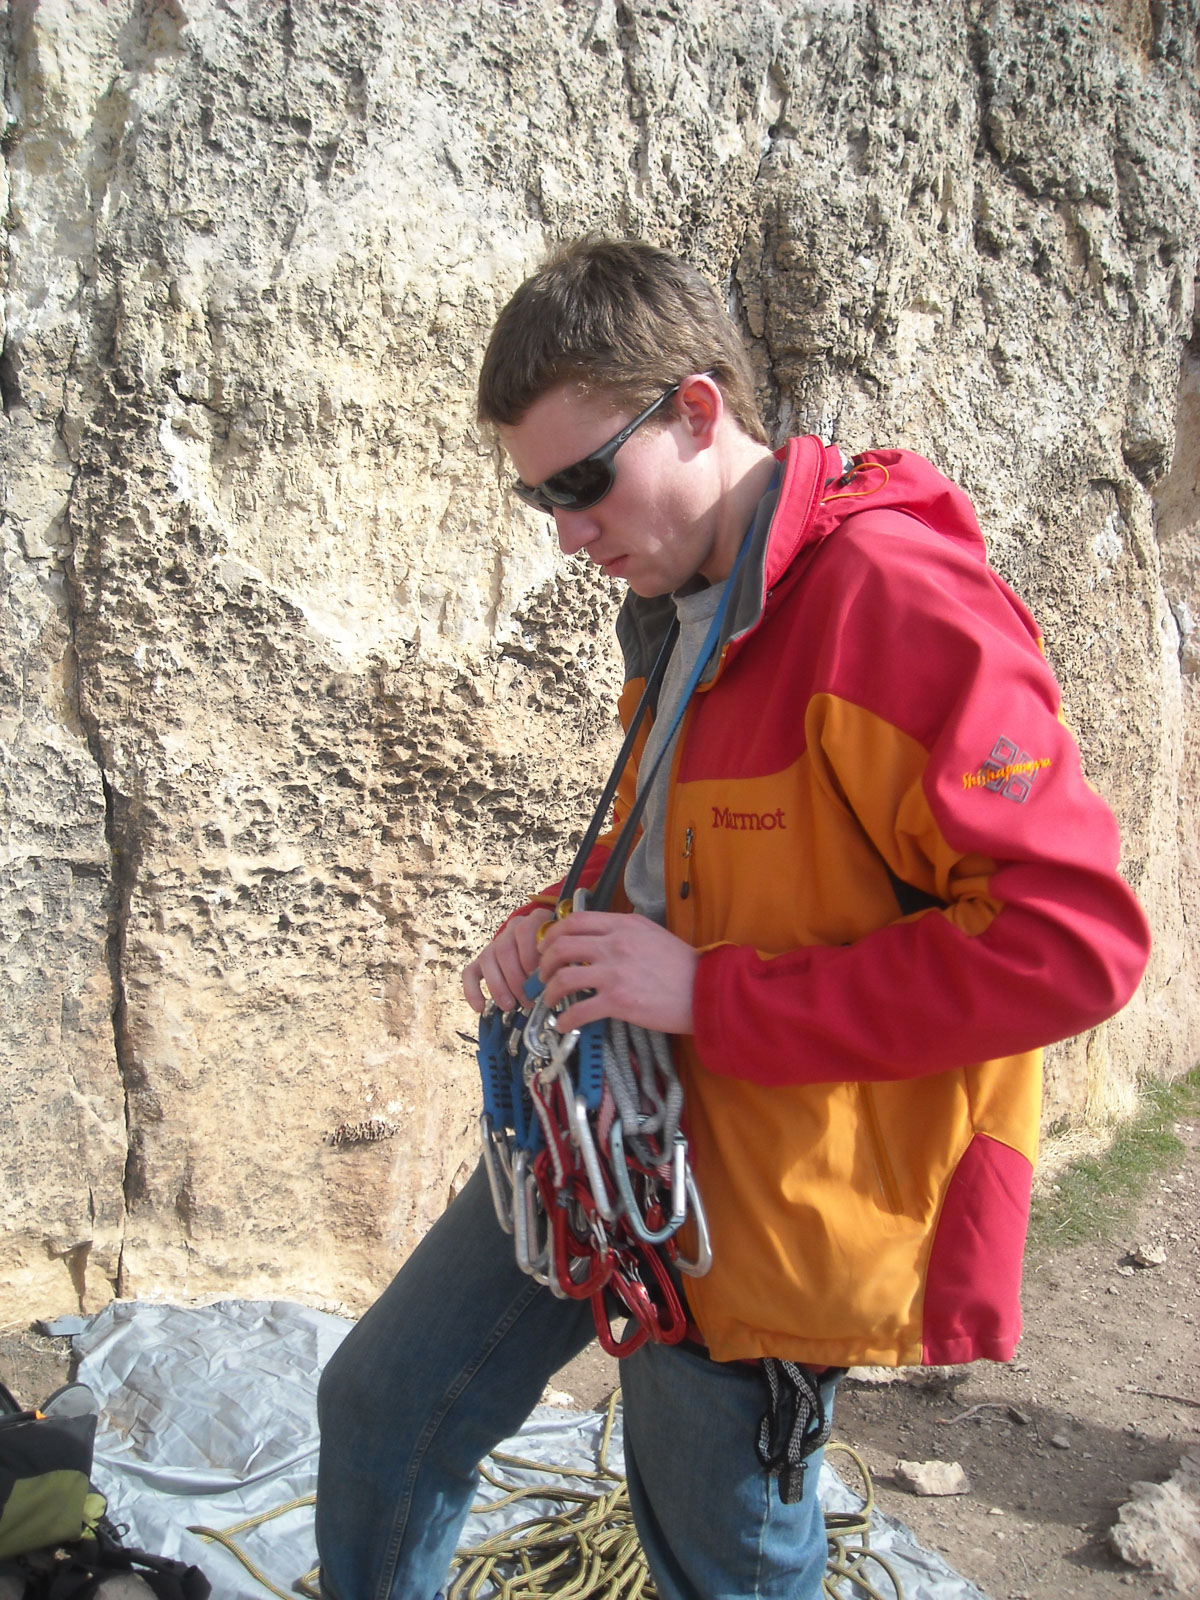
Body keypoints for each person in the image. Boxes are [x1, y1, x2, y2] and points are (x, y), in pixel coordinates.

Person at [315, 238, 1151, 1600]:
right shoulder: (687, 590)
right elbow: (680, 854)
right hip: (606, 1130)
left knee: (718, 1554)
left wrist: (707, 996)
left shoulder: (889, 598)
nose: (572, 534)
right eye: (543, 503)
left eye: (586, 484)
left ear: (698, 410)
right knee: (382, 1407)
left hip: (751, 1191)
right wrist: (558, 922)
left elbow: (1072, 942)